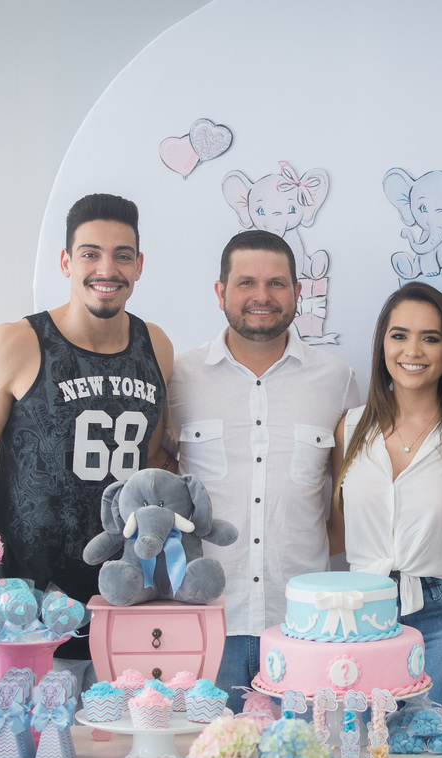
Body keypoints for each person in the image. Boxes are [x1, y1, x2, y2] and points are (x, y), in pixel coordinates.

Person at [0, 193, 173, 670]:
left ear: (139, 265)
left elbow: (151, 463)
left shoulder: (157, 347)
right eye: (90, 253)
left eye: (122, 255)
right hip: (27, 610)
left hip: (125, 604)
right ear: (66, 261)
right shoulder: (16, 344)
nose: (106, 269)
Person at [165, 230, 360, 712]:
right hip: (206, 623)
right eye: (246, 283)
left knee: (304, 756)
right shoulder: (179, 377)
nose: (262, 296)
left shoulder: (337, 379)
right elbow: (156, 479)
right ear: (220, 292)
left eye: (276, 283)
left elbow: (346, 501)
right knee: (210, 756)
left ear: (298, 291)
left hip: (305, 627)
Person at [331, 282, 442, 704]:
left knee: (439, 735)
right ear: (383, 345)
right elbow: (336, 530)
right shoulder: (349, 428)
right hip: (361, 612)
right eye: (399, 335)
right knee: (362, 738)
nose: (412, 351)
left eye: (430, 338)